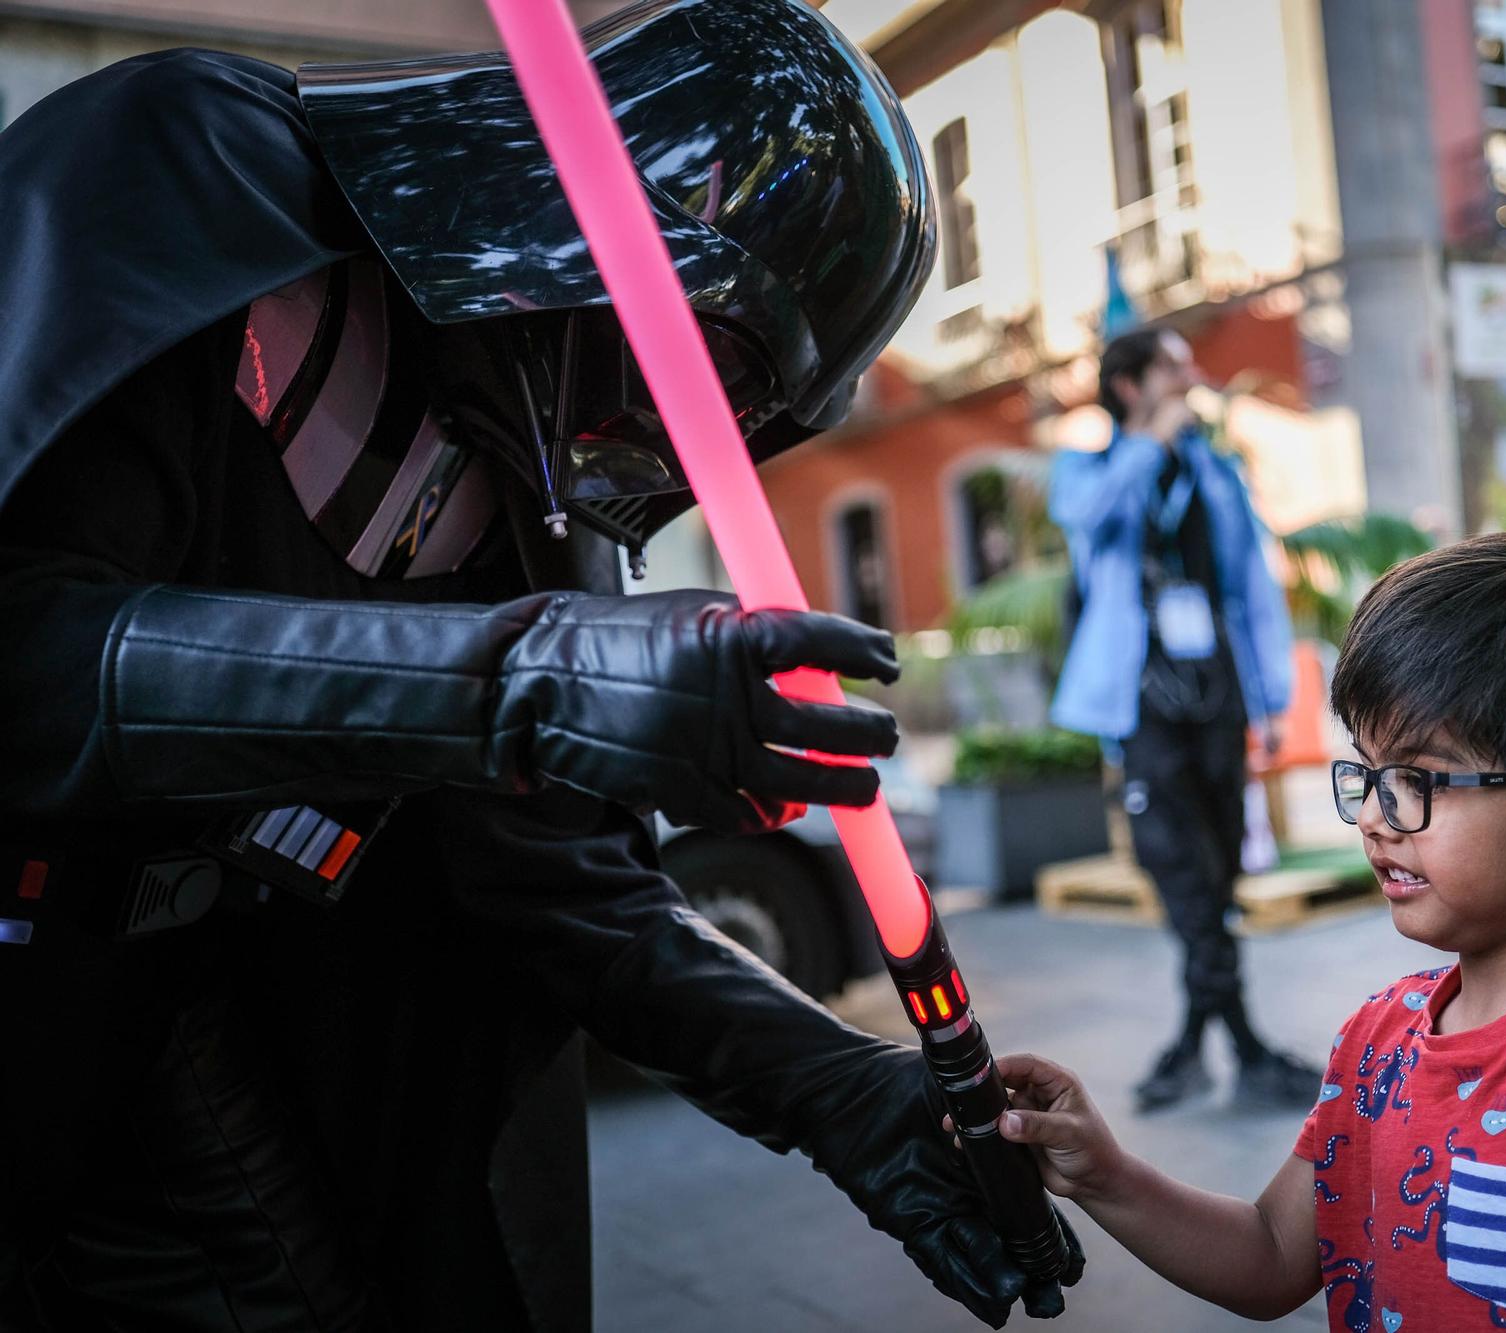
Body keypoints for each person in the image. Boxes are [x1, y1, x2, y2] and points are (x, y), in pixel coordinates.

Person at [0, 3, 1081, 1328]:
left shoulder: (532, 486)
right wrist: (519, 683)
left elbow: (555, 882)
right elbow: (25, 658)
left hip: (241, 1038)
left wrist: (833, 1084)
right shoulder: (205, 168)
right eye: (720, 364)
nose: (701, 436)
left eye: (755, 416)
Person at [975, 531, 1506, 1332]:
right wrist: (1108, 1175)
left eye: (1419, 777)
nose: (1377, 818)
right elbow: (1273, 1254)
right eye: (1370, 772)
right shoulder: (1379, 1040)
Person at [1047, 328, 1318, 1112]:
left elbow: (1249, 588)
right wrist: (1145, 444)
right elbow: (1086, 518)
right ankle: (1243, 1046)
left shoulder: (1214, 469)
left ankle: (1200, 1046)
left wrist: (1269, 701)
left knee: (1220, 864)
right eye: (1170, 364)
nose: (1190, 374)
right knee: (1179, 868)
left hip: (1217, 693)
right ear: (1130, 385)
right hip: (1143, 705)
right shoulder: (1089, 466)